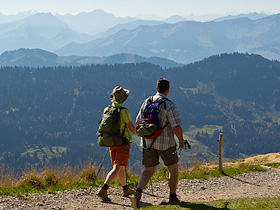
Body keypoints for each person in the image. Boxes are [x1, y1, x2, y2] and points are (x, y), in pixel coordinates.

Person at [130, 78, 185, 209]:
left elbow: (138, 121)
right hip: (166, 143)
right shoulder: (169, 105)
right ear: (168, 90)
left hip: (148, 142)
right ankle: (172, 197)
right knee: (173, 169)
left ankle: (137, 194)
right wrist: (181, 141)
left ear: (156, 89)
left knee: (149, 170)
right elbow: (176, 126)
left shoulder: (146, 101)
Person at [97, 86, 137, 201]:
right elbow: (131, 128)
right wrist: (141, 133)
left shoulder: (107, 109)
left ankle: (125, 189)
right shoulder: (124, 111)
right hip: (122, 142)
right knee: (117, 167)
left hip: (112, 142)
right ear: (124, 99)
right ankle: (103, 189)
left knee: (120, 166)